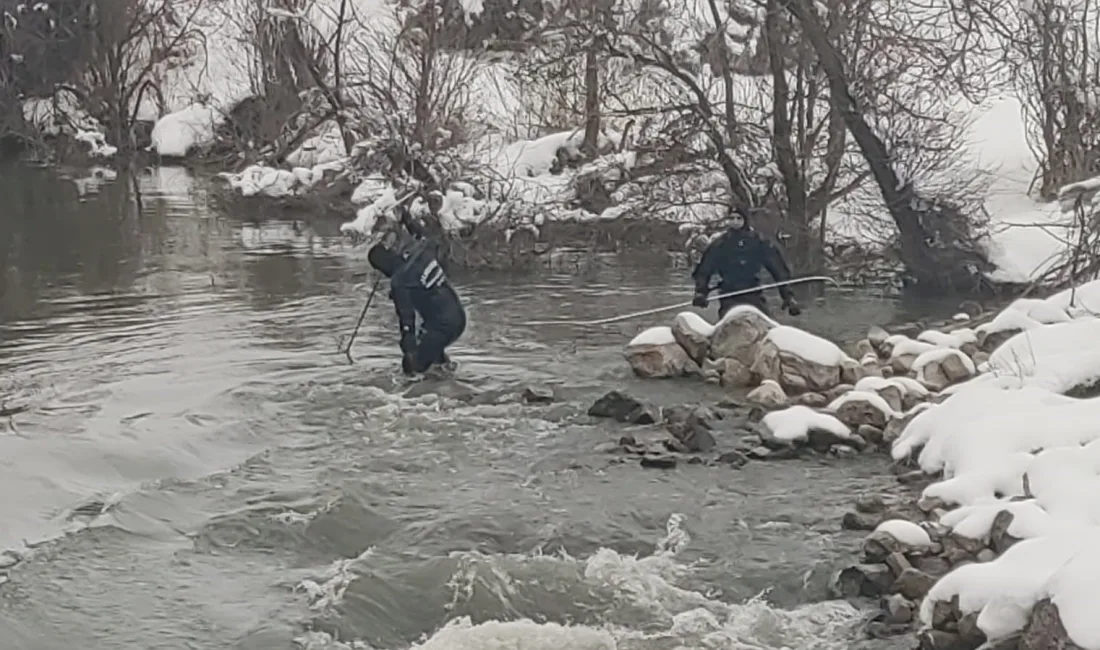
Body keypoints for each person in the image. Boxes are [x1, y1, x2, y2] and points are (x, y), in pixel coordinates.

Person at [367, 206, 467, 375]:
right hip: (458, 318)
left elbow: (407, 321)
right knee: (433, 356)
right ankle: (448, 380)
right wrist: (406, 218)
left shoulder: (400, 282)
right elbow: (422, 235)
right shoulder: (420, 252)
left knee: (415, 369)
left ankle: (424, 394)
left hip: (441, 327)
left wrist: (408, 352)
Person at [691, 206, 802, 319]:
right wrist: (701, 292)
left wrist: (788, 297)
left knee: (765, 323)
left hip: (753, 292)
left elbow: (778, 269)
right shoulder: (720, 244)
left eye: (739, 218)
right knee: (731, 323)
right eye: (732, 218)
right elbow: (704, 270)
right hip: (729, 294)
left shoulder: (759, 241)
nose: (735, 222)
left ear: (745, 220)